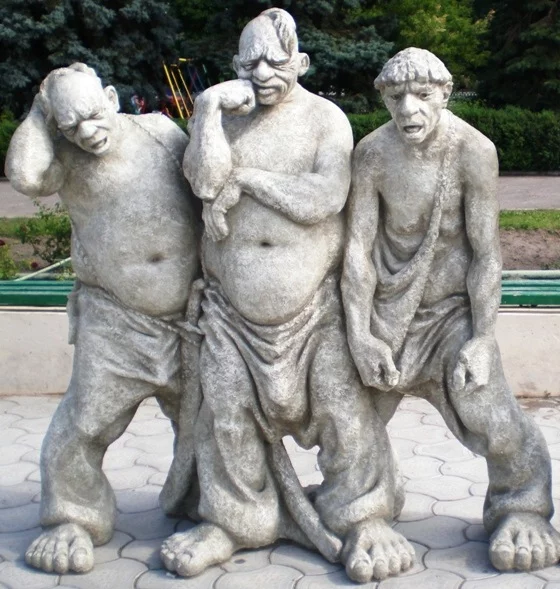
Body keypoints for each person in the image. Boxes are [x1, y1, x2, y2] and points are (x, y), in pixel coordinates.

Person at [161, 9, 415, 584]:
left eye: (275, 61)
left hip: (315, 310)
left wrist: (248, 181)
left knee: (343, 413)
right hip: (231, 314)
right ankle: (232, 521)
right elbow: (204, 182)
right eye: (249, 62)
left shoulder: (326, 119)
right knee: (226, 419)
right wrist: (207, 110)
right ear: (235, 65)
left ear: (300, 62)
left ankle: (363, 517)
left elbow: (323, 197)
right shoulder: (225, 121)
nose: (262, 73)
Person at [342, 47, 560, 573]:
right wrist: (361, 335)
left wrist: (482, 339)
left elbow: (486, 254)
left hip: (452, 314)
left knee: (489, 411)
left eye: (422, 95)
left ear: (444, 94)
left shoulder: (472, 151)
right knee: (351, 422)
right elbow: (357, 250)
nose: (409, 109)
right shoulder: (372, 154)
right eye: (396, 97)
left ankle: (522, 505)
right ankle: (367, 512)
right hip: (387, 315)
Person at [5, 63, 200, 574]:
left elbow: (203, 187)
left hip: (188, 316)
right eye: (71, 126)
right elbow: (25, 177)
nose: (88, 133)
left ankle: (201, 501)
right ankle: (73, 516)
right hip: (115, 316)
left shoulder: (159, 131)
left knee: (204, 420)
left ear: (112, 97)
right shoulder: (66, 158)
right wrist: (41, 112)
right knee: (85, 420)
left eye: (93, 115)